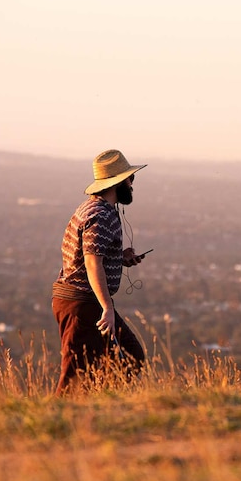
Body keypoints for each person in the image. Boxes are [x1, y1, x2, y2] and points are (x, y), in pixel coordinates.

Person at [52, 149, 147, 394]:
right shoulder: (100, 215)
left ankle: (97, 404)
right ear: (117, 182)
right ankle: (60, 419)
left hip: (84, 300)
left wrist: (120, 258)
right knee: (74, 374)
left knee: (129, 356)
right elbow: (92, 262)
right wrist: (107, 308)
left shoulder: (94, 209)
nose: (132, 184)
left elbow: (94, 256)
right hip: (82, 302)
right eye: (130, 179)